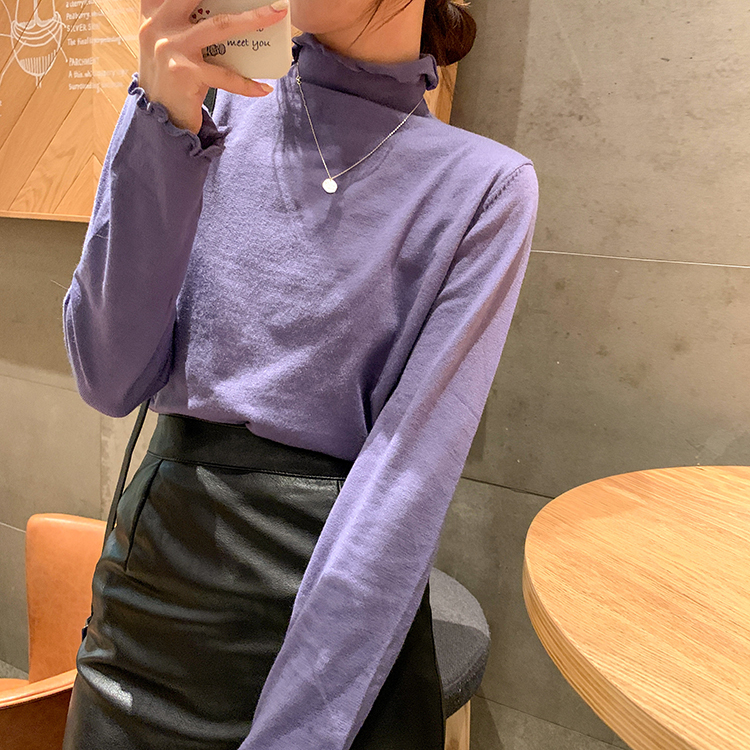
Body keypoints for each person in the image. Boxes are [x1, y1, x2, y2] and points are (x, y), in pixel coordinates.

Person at [60, 0, 539, 748]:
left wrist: (300, 733)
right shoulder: (205, 107)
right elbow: (108, 376)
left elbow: (406, 482)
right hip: (154, 609)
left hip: (337, 625)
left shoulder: (486, 186)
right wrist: (159, 124)